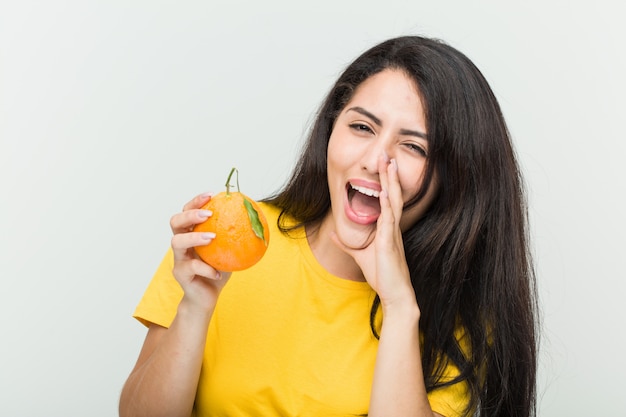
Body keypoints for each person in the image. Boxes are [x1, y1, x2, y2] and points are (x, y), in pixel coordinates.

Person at [119, 35, 538, 417]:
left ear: (457, 178)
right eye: (361, 126)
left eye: (413, 146)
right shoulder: (228, 242)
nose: (376, 160)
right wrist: (195, 308)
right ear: (330, 131)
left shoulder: (455, 315)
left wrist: (397, 306)